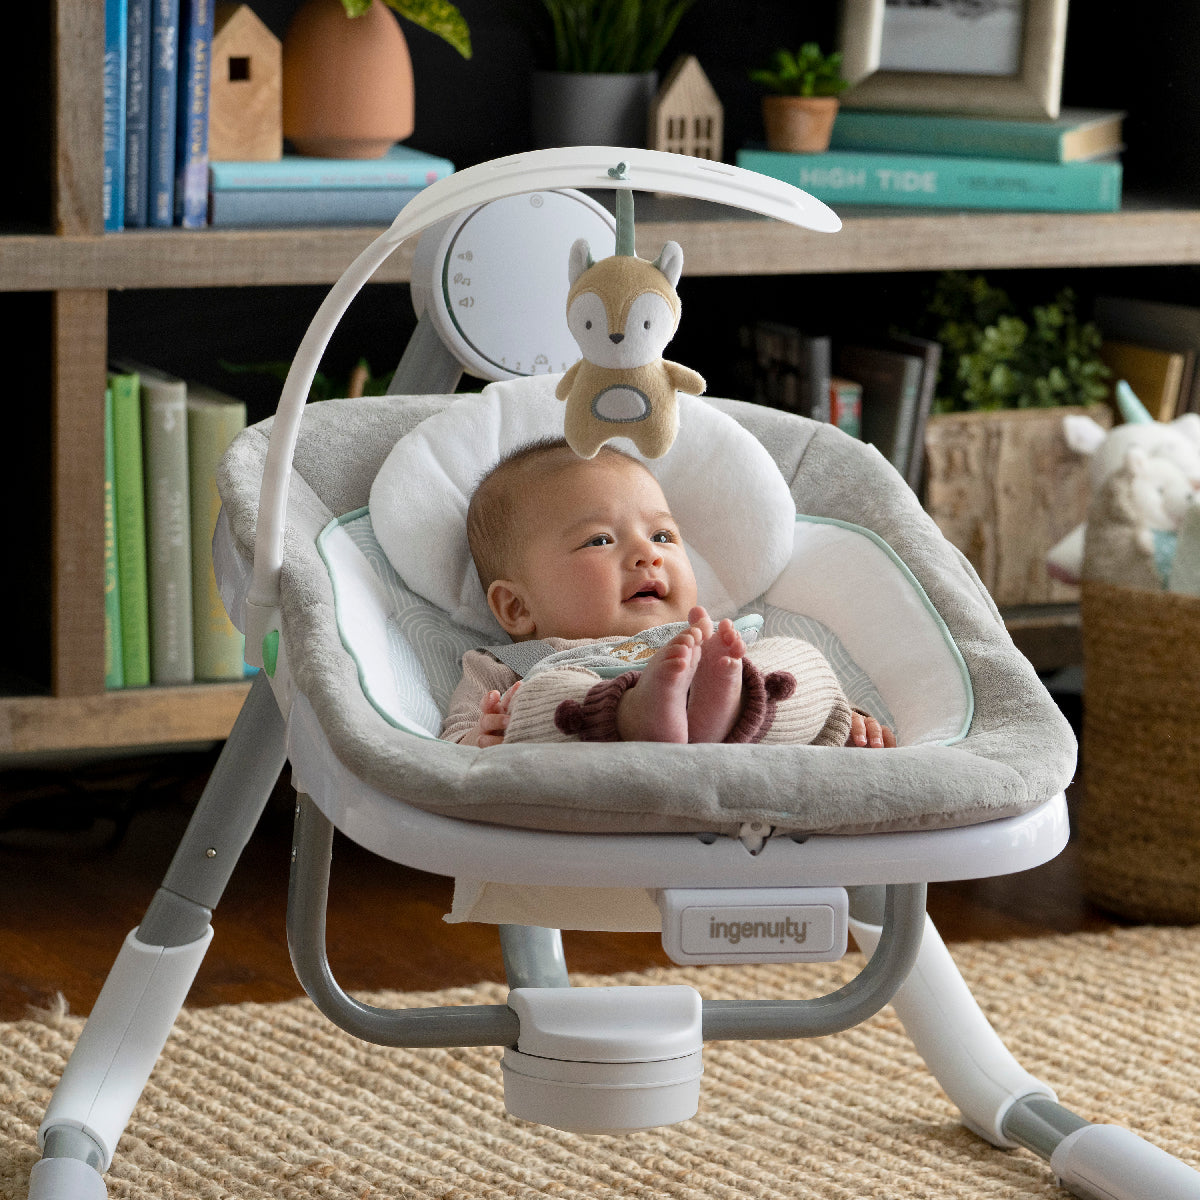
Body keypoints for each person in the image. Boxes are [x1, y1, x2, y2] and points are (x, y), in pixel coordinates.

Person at [441, 438, 895, 751]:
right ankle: (635, 714)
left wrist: (849, 721)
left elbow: (803, 691)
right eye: (599, 540)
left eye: (661, 536)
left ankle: (721, 709)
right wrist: (479, 738)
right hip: (601, 746)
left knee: (794, 660)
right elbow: (452, 740)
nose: (646, 554)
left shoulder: (718, 640)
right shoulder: (507, 665)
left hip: (741, 719)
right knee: (543, 699)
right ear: (517, 607)